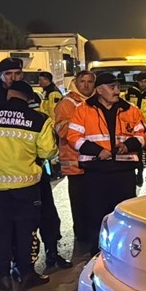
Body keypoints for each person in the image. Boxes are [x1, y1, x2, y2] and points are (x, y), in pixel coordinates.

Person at [0, 80, 56, 291]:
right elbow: (48, 151)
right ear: (29, 98)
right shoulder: (39, 120)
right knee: (26, 231)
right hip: (27, 187)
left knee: (1, 232)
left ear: (9, 95)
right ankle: (27, 274)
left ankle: (3, 277)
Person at [66, 72, 146, 257]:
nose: (117, 91)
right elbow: (73, 137)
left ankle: (125, 254)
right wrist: (97, 151)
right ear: (99, 90)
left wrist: (128, 146)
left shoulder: (131, 109)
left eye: (118, 86)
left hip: (124, 172)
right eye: (112, 87)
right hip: (96, 173)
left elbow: (143, 134)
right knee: (96, 217)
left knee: (125, 216)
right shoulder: (83, 110)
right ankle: (98, 255)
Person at [54, 70, 96, 263]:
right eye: (82, 81)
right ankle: (82, 235)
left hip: (94, 162)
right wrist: (85, 126)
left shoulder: (96, 101)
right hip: (75, 162)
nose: (86, 85)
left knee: (94, 201)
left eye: (90, 82)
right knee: (79, 203)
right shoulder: (67, 103)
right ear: (76, 83)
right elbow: (62, 130)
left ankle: (92, 233)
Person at [27, 86, 69, 271]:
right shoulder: (37, 118)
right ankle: (51, 254)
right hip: (34, 172)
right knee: (46, 214)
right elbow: (48, 150)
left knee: (23, 221)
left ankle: (21, 264)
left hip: (7, 178)